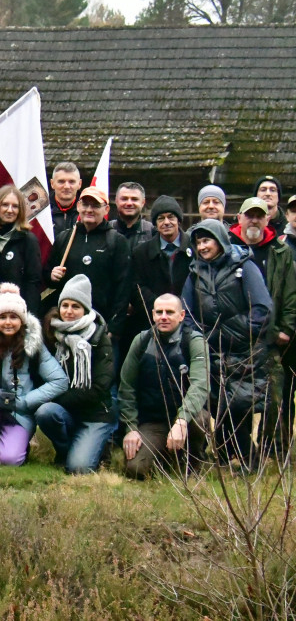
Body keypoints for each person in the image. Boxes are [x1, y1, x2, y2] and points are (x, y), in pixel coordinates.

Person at [182, 219, 273, 470]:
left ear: (220, 240)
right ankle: (227, 456)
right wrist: (203, 339)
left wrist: (233, 333)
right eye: (198, 242)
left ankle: (247, 459)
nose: (202, 247)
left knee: (237, 405)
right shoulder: (194, 272)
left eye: (207, 240)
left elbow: (262, 309)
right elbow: (187, 313)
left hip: (245, 351)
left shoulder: (244, 267)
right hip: (211, 350)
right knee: (217, 403)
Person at [0, 284, 69, 466]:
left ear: (22, 320)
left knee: (9, 461)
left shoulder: (33, 344)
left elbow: (59, 380)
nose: (8, 322)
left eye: (13, 317)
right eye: (3, 317)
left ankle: (15, 444)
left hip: (19, 412)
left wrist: (28, 401)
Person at [228, 196, 296, 455]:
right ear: (240, 218)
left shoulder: (281, 252)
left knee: (276, 397)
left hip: (270, 339)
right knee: (237, 399)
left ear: (268, 219)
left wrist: (286, 329)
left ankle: (274, 451)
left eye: (260, 215)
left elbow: (291, 294)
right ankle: (241, 450)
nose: (254, 220)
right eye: (249, 215)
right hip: (236, 338)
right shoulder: (228, 249)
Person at [119, 294, 211, 479]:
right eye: (159, 312)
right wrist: (131, 428)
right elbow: (126, 387)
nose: (163, 316)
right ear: (153, 315)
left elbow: (201, 385)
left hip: (185, 419)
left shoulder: (194, 342)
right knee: (135, 470)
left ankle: (193, 464)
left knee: (201, 419)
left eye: (169, 312)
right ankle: (164, 457)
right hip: (153, 422)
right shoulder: (141, 341)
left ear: (181, 315)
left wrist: (182, 420)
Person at [36, 276, 115, 473]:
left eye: (75, 306)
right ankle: (65, 450)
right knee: (45, 412)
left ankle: (98, 446)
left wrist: (57, 397)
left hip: (94, 414)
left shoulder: (99, 338)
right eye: (65, 305)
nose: (69, 311)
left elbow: (98, 388)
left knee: (79, 469)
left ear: (85, 310)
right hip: (66, 412)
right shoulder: (51, 334)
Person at [46, 187, 132, 339]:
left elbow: (123, 288)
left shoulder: (117, 241)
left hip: (102, 326)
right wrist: (52, 276)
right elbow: (47, 279)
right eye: (85, 205)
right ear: (78, 206)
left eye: (95, 206)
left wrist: (114, 327)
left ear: (106, 209)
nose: (89, 210)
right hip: (68, 323)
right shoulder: (64, 238)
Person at [133, 195, 192, 323]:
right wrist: (161, 308)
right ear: (155, 224)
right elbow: (138, 287)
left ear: (179, 220)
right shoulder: (141, 253)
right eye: (161, 218)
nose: (166, 222)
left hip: (189, 318)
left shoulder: (194, 249)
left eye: (171, 217)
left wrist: (180, 309)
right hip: (153, 319)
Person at [0, 185, 43, 316]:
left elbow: (33, 282)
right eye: (5, 205)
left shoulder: (28, 240)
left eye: (15, 206)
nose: (10, 210)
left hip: (17, 313)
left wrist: (28, 315)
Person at [111, 182, 155, 250]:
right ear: (116, 201)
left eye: (134, 199)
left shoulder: (152, 232)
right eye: (124, 199)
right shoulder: (105, 231)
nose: (129, 203)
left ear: (143, 202)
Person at [49, 162, 82, 236]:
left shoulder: (87, 212)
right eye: (61, 181)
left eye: (72, 182)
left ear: (79, 184)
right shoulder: (42, 211)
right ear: (52, 183)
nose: (67, 186)